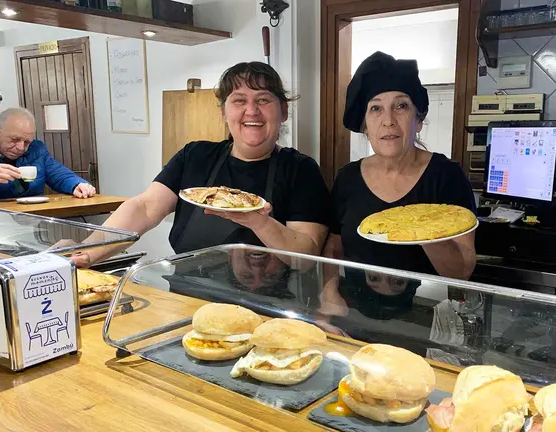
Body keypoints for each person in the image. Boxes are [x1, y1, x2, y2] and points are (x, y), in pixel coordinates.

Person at [69, 61, 331, 267]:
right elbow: (144, 207)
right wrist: (90, 250)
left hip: (266, 313)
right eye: (239, 100)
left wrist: (259, 222)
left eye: (263, 99)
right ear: (223, 112)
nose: (251, 110)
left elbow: (306, 257)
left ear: (283, 111)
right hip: (188, 299)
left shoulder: (301, 170)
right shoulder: (195, 155)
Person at [322, 51, 477, 280]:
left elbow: (462, 271)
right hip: (355, 309)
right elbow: (334, 246)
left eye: (401, 106)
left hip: (425, 310)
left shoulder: (446, 176)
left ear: (419, 119)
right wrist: (330, 294)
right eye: (375, 108)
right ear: (365, 127)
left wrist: (424, 230)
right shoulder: (347, 178)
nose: (388, 121)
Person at [0, 107, 96, 201]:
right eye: (15, 140)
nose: (21, 148)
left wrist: (77, 184)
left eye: (27, 141)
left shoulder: (37, 149)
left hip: (33, 221)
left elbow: (59, 175)